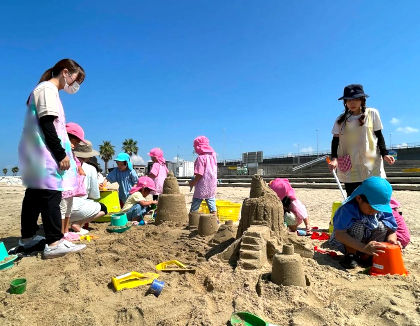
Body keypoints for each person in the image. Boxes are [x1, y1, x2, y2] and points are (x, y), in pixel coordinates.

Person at [18, 58, 86, 258]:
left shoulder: (42, 90)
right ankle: (54, 242)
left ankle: (28, 239)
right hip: (45, 154)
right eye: (76, 79)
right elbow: (48, 124)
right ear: (65, 72)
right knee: (51, 196)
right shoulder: (47, 89)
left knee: (34, 197)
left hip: (35, 153)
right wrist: (60, 153)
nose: (76, 85)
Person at [328, 84, 395, 196]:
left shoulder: (372, 113)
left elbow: (379, 135)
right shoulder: (340, 120)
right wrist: (334, 159)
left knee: (373, 197)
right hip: (350, 165)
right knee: (354, 199)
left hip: (371, 163)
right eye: (349, 100)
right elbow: (335, 141)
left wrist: (385, 154)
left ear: (362, 100)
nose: (352, 103)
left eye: (356, 99)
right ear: (345, 102)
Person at [332, 177, 398, 269]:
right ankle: (351, 255)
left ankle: (368, 256)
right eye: (371, 208)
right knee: (357, 225)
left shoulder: (381, 210)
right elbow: (339, 234)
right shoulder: (347, 209)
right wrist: (363, 248)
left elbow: (392, 229)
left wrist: (391, 239)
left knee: (382, 227)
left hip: (368, 244)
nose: (374, 211)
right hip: (347, 243)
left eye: (378, 209)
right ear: (359, 198)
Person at [70, 140, 107, 234]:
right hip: (75, 207)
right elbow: (94, 194)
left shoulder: (64, 163)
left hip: (55, 207)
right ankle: (78, 223)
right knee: (103, 208)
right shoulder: (90, 169)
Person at [60, 122, 87, 235]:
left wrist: (80, 168)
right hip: (62, 186)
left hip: (71, 187)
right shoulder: (61, 148)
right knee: (62, 210)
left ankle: (66, 231)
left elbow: (76, 162)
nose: (75, 145)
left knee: (68, 210)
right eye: (74, 142)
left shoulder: (71, 152)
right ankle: (61, 233)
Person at [189, 136, 218, 214]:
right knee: (211, 200)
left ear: (199, 147)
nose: (194, 149)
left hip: (202, 184)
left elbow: (199, 174)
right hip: (212, 183)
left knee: (196, 201)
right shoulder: (213, 156)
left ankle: (193, 219)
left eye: (194, 147)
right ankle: (214, 220)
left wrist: (193, 182)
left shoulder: (201, 158)